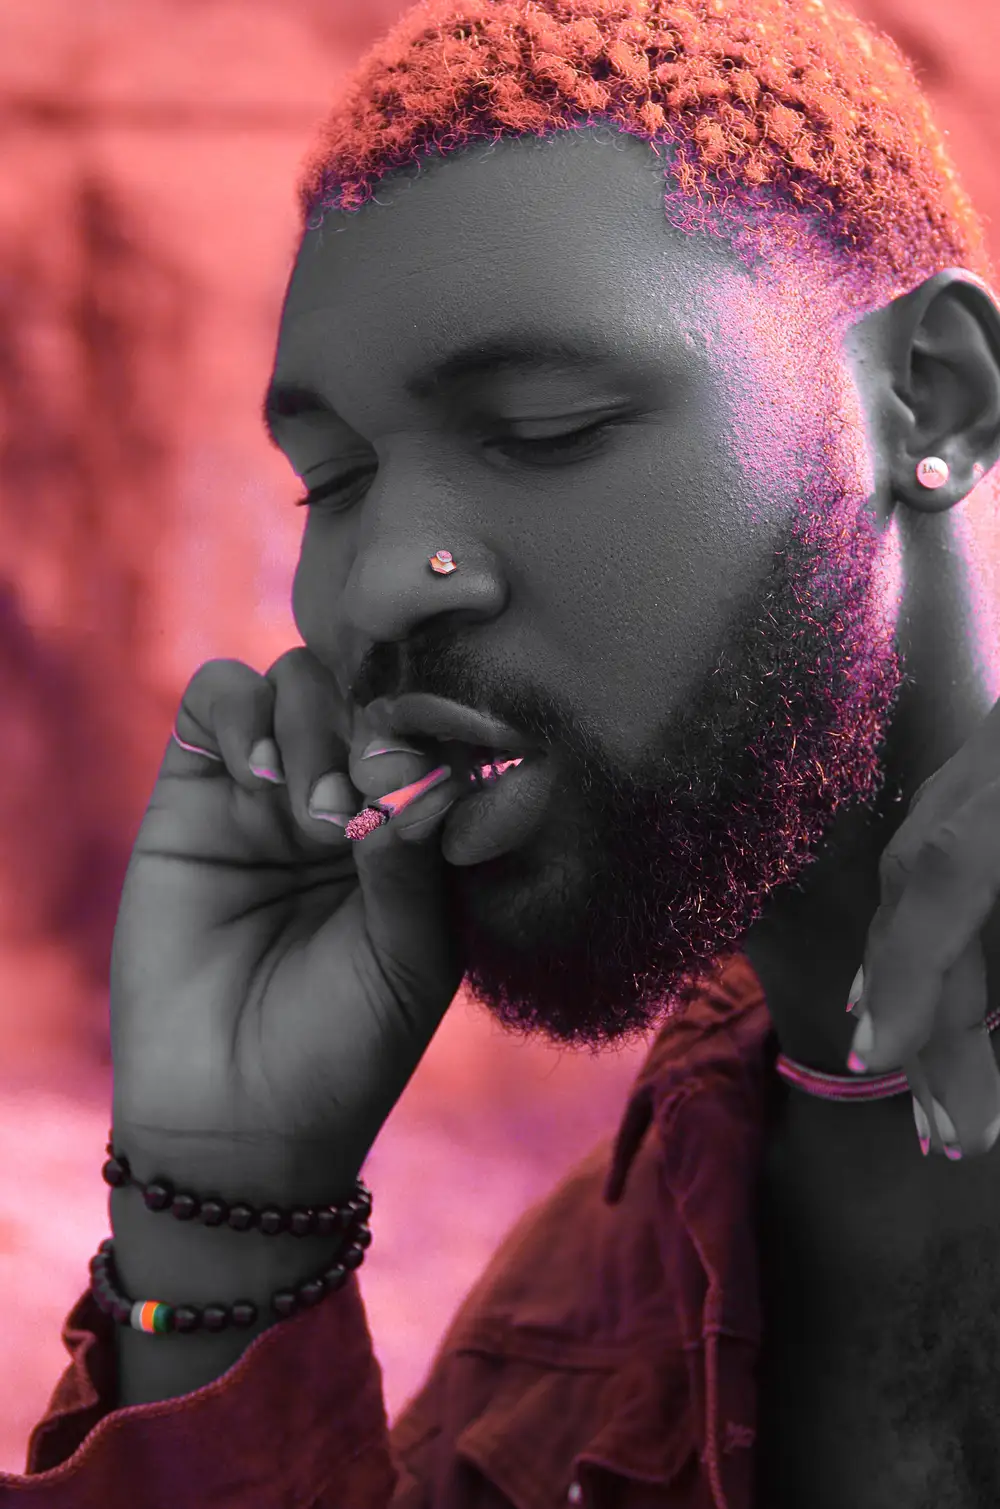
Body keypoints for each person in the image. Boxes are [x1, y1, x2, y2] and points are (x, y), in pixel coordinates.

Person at [6, 0, 1000, 1503]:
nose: (381, 579)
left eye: (544, 426)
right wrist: (224, 1214)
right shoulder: (559, 1339)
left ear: (931, 397)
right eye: (327, 480)